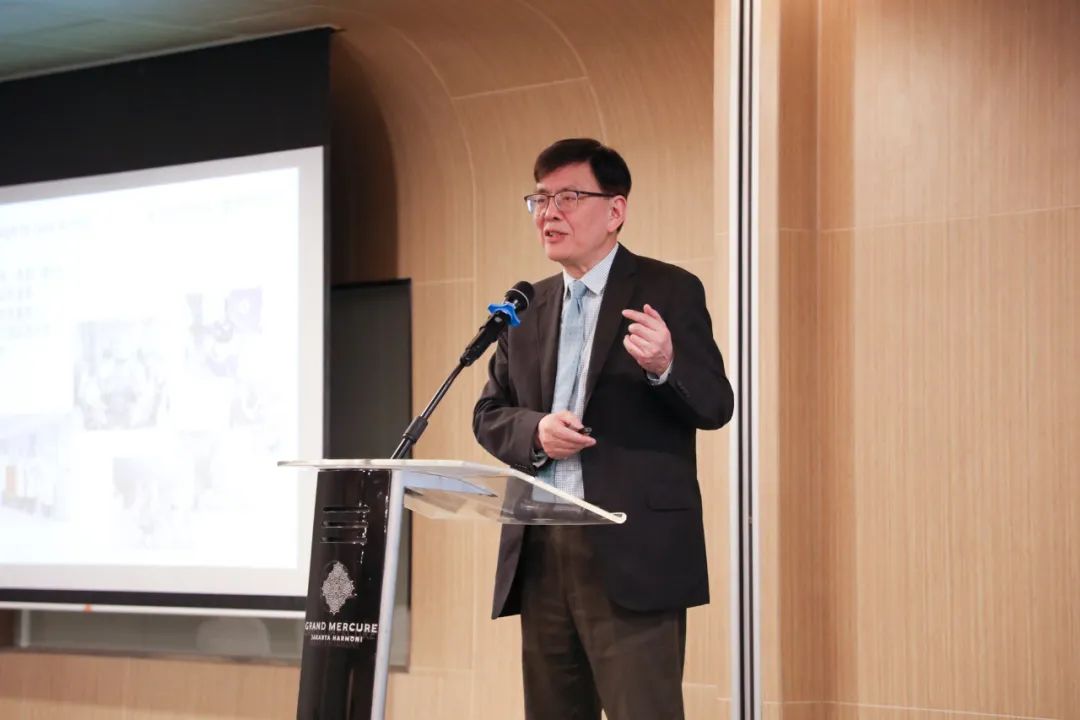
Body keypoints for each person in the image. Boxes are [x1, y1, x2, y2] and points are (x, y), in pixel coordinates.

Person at [473, 138, 735, 720]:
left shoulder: (669, 290)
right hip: (542, 548)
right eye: (539, 199)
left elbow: (717, 404)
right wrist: (536, 431)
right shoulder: (525, 307)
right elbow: (489, 414)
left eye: (567, 197)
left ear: (615, 210)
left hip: (631, 548)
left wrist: (666, 365)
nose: (549, 213)